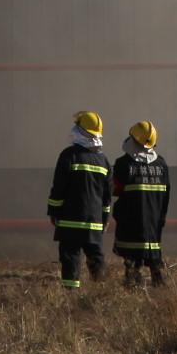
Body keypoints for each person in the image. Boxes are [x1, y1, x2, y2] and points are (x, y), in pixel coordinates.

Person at [47, 110, 113, 291]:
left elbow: (58, 188)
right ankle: (101, 294)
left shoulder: (69, 155)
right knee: (96, 258)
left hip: (70, 221)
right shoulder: (103, 161)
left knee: (70, 258)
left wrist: (53, 211)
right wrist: (105, 219)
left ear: (81, 131)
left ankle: (70, 295)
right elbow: (107, 196)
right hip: (94, 223)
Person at [111, 121, 171, 286]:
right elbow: (166, 195)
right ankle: (158, 283)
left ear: (134, 140)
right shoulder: (162, 164)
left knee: (131, 260)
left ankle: (133, 283)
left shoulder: (124, 164)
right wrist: (161, 217)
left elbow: (115, 190)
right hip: (154, 221)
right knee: (154, 259)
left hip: (131, 221)